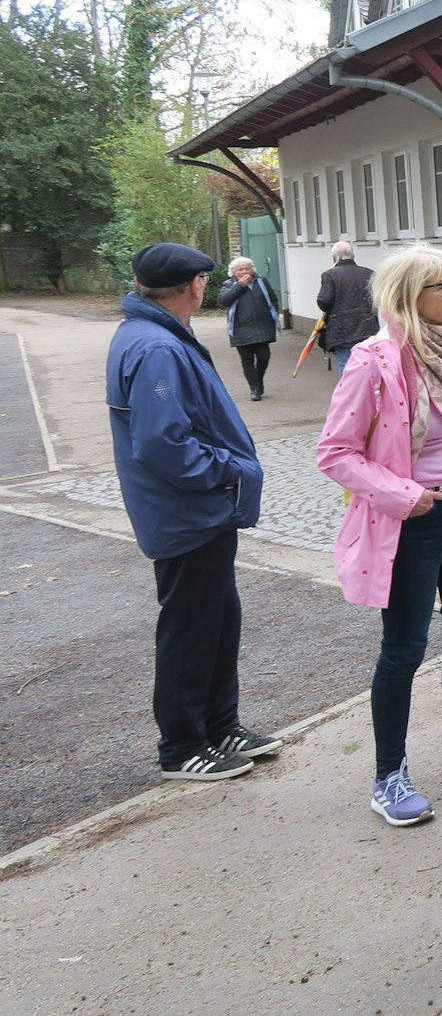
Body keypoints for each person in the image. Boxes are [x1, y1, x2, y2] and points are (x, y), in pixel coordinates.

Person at [317, 244, 442, 828]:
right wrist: (406, 495)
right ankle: (389, 775)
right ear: (409, 297)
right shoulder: (375, 361)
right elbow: (335, 452)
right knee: (403, 648)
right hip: (413, 519)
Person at [107, 243, 279, 781]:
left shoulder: (151, 334)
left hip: (196, 512)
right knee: (190, 627)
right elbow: (162, 445)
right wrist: (228, 471)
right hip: (187, 513)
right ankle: (182, 746)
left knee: (218, 619)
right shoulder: (156, 347)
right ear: (195, 286)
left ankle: (219, 724)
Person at [216, 257, 279, 402]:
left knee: (264, 356)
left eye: (247, 268)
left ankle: (258, 379)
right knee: (247, 359)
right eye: (240, 269)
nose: (245, 272)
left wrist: (272, 316)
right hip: (240, 328)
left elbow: (273, 299)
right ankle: (254, 389)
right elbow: (224, 300)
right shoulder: (229, 284)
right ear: (234, 272)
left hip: (263, 325)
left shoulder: (261, 282)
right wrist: (240, 285)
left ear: (252, 270)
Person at [318, 241, 379, 375]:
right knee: (369, 365)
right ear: (353, 256)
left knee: (346, 367)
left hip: (343, 330)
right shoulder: (370, 273)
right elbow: (377, 299)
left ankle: (348, 395)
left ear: (334, 257)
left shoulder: (330, 275)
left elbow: (324, 301)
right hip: (368, 327)